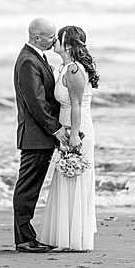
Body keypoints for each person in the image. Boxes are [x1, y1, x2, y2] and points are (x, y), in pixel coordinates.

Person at [38, 25, 99, 252]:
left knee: (75, 179)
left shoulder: (74, 70)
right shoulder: (62, 67)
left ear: (69, 44)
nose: (54, 40)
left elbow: (76, 105)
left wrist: (74, 135)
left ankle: (75, 239)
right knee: (65, 179)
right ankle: (65, 237)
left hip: (79, 129)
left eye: (59, 38)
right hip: (66, 129)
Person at [12, 18, 69, 253]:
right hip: (36, 135)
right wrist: (56, 128)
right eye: (50, 36)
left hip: (39, 135)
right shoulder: (27, 61)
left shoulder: (37, 57)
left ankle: (27, 236)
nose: (54, 40)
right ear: (37, 38)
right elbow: (35, 102)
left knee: (32, 187)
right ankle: (24, 239)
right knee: (28, 187)